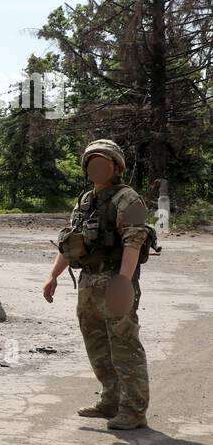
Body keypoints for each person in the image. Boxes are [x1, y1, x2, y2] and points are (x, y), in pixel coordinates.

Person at [43, 139, 152, 430]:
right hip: (89, 281)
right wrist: (53, 276)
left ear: (115, 167)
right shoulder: (85, 201)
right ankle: (111, 400)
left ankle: (134, 409)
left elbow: (134, 240)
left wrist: (124, 282)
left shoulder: (129, 200)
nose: (97, 168)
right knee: (97, 344)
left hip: (116, 279)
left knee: (124, 344)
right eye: (92, 163)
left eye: (102, 163)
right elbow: (69, 243)